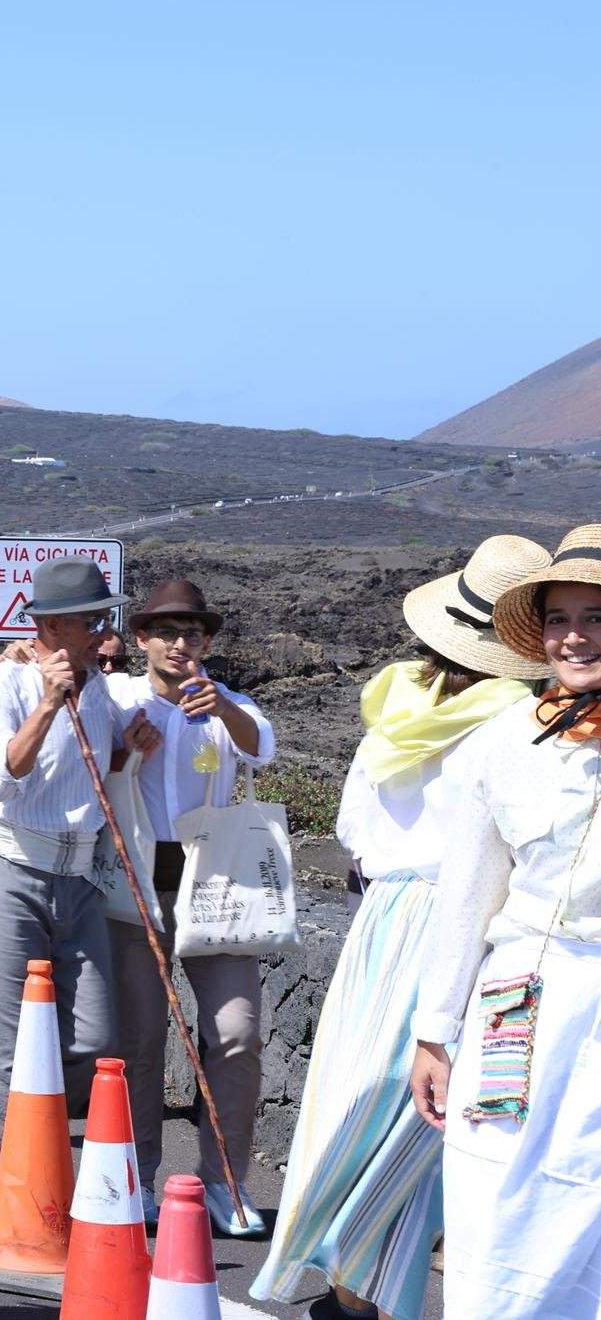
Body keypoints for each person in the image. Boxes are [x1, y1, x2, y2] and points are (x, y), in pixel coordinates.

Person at [256, 535, 549, 1320]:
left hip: (382, 920)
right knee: (432, 1122)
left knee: (363, 1105)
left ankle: (349, 1290)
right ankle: (382, 1292)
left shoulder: (392, 705)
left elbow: (353, 829)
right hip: (470, 926)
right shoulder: (520, 725)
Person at [407, 527, 601, 1318]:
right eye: (558, 618)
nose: (574, 636)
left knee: (583, 1191)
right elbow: (467, 894)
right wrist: (432, 1029)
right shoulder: (498, 745)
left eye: (595, 616)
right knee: (492, 1183)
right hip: (517, 996)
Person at [0, 557, 159, 1186]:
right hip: (8, 871)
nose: (101, 629)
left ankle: (44, 1172)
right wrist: (46, 701)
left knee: (95, 1039)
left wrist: (131, 745)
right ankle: (14, 1194)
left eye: (102, 615)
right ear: (45, 624)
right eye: (86, 618)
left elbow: (94, 763)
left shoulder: (99, 688)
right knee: (10, 1049)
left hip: (77, 881)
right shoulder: (2, 686)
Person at [105, 579, 276, 1233]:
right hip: (138, 887)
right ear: (142, 639)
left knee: (235, 1032)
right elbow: (96, 766)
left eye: (193, 634)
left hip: (214, 885)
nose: (181, 644)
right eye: (167, 632)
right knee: (140, 1039)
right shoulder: (119, 700)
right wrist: (129, 750)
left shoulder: (227, 703)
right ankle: (135, 1177)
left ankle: (225, 1182)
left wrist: (224, 714)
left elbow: (261, 745)